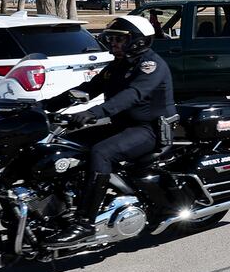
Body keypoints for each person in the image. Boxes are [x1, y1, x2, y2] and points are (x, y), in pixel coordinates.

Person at [48, 16, 176, 248]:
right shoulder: (118, 65)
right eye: (112, 38)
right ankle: (59, 208)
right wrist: (44, 106)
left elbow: (133, 95)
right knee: (62, 145)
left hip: (149, 130)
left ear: (137, 41)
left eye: (119, 39)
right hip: (121, 126)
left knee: (102, 153)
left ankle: (84, 223)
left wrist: (95, 113)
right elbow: (86, 89)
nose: (113, 43)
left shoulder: (151, 65)